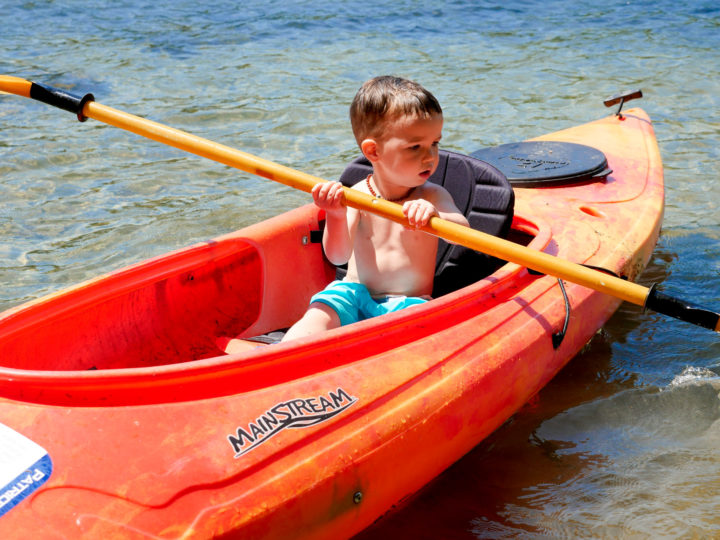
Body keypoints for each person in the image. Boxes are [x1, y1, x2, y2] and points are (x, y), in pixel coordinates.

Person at [280, 75, 469, 342]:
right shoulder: (357, 196)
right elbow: (336, 256)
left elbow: (463, 232)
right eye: (415, 147)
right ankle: (286, 354)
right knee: (321, 311)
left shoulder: (432, 196)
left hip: (408, 303)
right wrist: (335, 214)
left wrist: (436, 217)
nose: (430, 156)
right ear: (373, 152)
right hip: (355, 294)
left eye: (434, 144)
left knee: (419, 328)